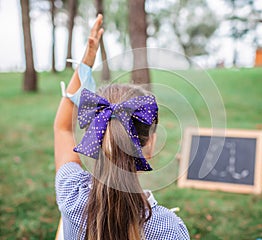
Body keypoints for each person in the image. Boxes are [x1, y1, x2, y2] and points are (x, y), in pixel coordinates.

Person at [54, 14, 190, 240]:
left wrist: (85, 63)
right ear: (150, 144)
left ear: (96, 137)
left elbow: (62, 129)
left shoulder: (71, 194)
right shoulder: (168, 229)